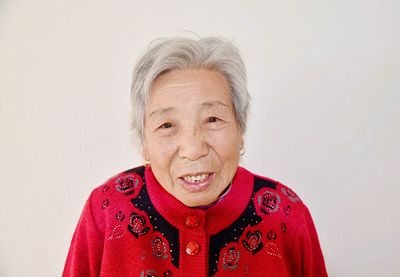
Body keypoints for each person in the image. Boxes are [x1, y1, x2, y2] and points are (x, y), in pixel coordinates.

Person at [63, 36, 328, 277]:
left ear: (240, 131)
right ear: (144, 143)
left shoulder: (285, 215)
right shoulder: (106, 211)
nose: (193, 149)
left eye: (212, 119)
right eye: (167, 125)